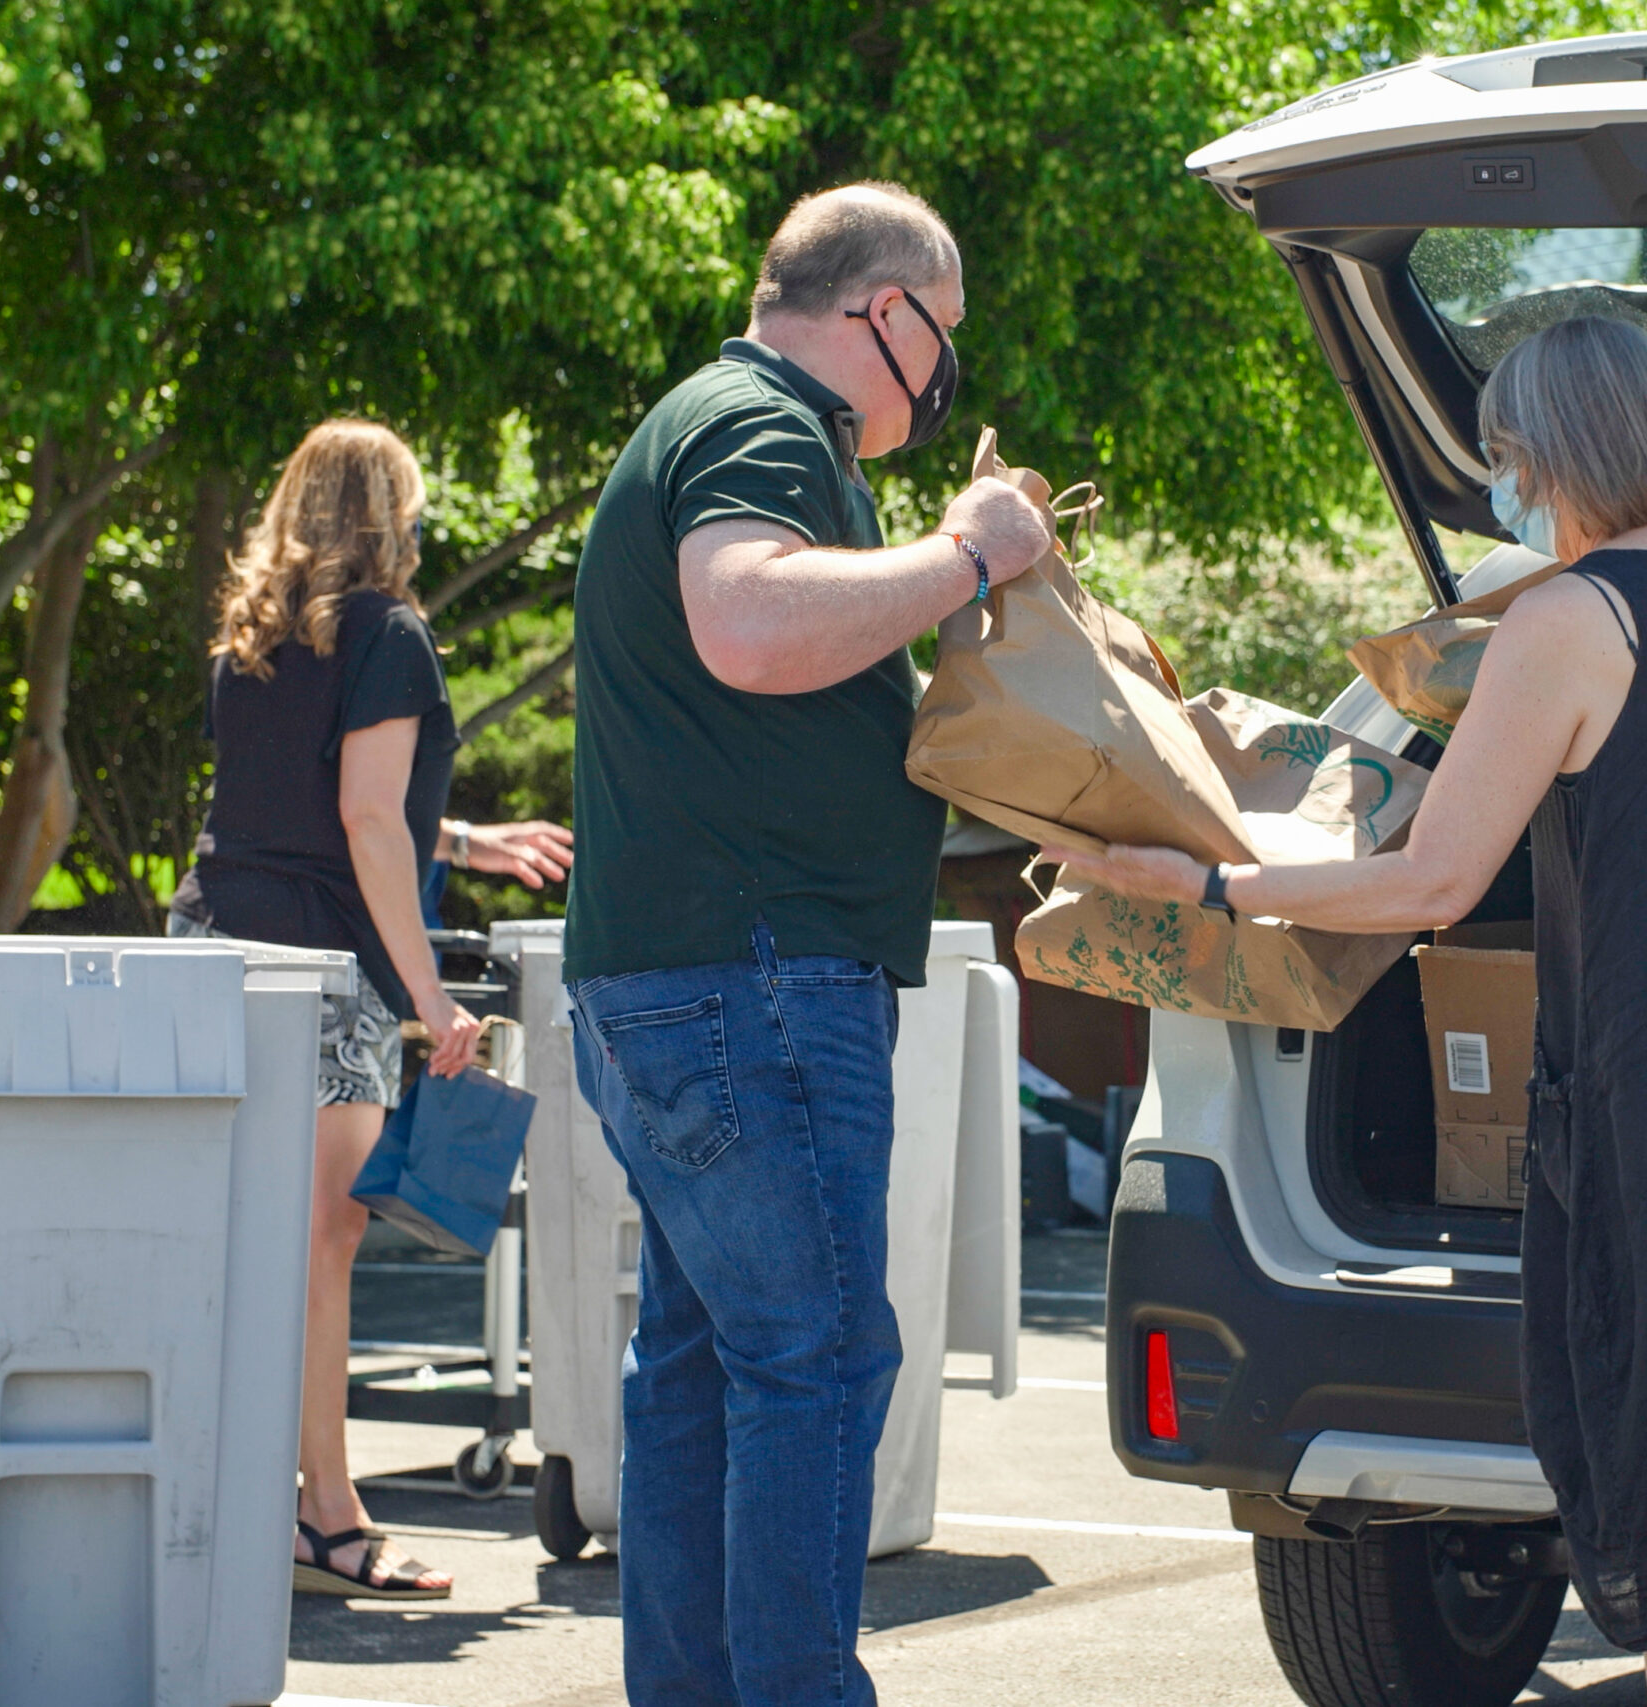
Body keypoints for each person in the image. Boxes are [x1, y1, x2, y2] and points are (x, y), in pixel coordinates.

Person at [1047, 316, 1647, 1707]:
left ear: (1552, 452)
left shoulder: (1564, 619)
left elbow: (1431, 877)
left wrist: (1202, 878)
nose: (1502, 483)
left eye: (1503, 455)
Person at [563, 182, 1054, 1705]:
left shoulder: (718, 419)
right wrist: (969, 554)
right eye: (945, 338)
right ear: (883, 313)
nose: (946, 375)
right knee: (819, 1362)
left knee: (712, 1371)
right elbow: (752, 625)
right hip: (752, 980)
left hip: (684, 979)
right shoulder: (768, 424)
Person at [170, 419, 575, 1601]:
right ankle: (330, 1523)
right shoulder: (391, 633)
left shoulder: (253, 638)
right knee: (321, 1247)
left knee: (257, 1244)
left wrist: (464, 838)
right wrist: (432, 996)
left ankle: (265, 1507)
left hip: (214, 947)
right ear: (385, 512)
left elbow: (302, 801)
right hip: (318, 971)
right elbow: (357, 821)